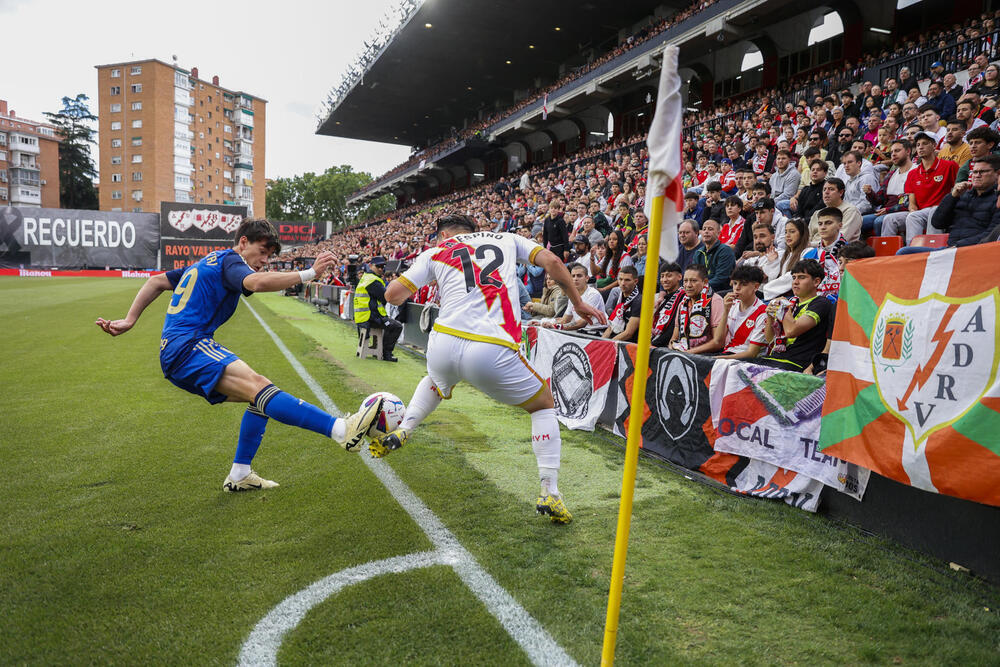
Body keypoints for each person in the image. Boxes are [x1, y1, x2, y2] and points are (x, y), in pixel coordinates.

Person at [94, 219, 384, 492]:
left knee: (259, 395)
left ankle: (240, 474)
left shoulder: (211, 261)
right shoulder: (231, 261)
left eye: (269, 255)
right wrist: (310, 273)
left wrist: (130, 320)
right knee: (260, 386)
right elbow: (256, 284)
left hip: (179, 350)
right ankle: (341, 430)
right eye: (262, 251)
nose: (264, 261)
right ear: (243, 242)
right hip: (187, 346)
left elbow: (156, 281)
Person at [375, 215, 607, 524]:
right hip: (491, 343)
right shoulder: (507, 238)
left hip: (443, 340)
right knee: (543, 405)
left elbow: (392, 294)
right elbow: (551, 260)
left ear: (444, 234)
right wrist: (576, 301)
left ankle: (405, 428)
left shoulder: (437, 251)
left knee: (435, 379)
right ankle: (549, 491)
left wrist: (435, 279)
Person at [882, 131, 959, 243]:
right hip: (921, 212)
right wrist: (912, 209)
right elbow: (912, 201)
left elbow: (956, 190)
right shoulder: (913, 173)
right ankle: (887, 255)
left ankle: (921, 251)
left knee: (923, 214)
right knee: (889, 219)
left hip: (941, 209)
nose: (920, 147)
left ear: (934, 145)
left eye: (925, 143)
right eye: (918, 145)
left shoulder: (949, 166)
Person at [760, 259, 834, 373]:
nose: (795, 282)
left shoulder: (821, 303)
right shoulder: (791, 303)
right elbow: (770, 339)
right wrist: (770, 316)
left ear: (816, 282)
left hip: (797, 363)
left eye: (802, 277)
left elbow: (791, 331)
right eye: (794, 277)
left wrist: (784, 308)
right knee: (734, 366)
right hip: (777, 359)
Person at [712, 265, 769, 359]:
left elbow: (752, 353)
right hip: (728, 353)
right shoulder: (732, 305)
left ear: (756, 287)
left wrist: (716, 359)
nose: (737, 288)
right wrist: (725, 311)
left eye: (743, 284)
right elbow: (718, 340)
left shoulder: (762, 312)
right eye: (735, 283)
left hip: (748, 361)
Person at [354, 256, 403, 362]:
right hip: (370, 319)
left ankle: (382, 351)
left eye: (383, 266)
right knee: (396, 326)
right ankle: (386, 354)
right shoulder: (373, 281)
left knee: (391, 324)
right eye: (379, 266)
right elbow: (385, 298)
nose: (381, 269)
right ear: (371, 265)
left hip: (362, 318)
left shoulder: (365, 277)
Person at [668, 264, 724, 354]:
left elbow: (718, 342)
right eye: (685, 281)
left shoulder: (715, 301)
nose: (688, 285)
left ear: (705, 282)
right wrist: (671, 348)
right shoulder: (682, 303)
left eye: (693, 281)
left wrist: (689, 353)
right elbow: (674, 338)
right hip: (684, 352)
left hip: (707, 357)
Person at [541, 262, 606, 332]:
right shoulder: (573, 296)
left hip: (596, 331)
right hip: (582, 331)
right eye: (573, 276)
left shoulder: (593, 294)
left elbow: (583, 322)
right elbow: (565, 320)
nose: (575, 279)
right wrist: (543, 324)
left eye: (579, 276)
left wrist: (557, 327)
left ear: (587, 278)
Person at [807, 177, 863, 242]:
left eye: (831, 189)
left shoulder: (851, 211)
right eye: (824, 189)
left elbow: (840, 239)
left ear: (841, 192)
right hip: (813, 250)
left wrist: (810, 246)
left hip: (840, 250)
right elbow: (808, 238)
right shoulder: (817, 213)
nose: (826, 192)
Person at [694, 218, 736, 294]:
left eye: (710, 229)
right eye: (704, 229)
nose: (706, 231)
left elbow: (721, 278)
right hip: (701, 290)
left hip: (721, 292)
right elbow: (694, 275)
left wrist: (700, 288)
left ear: (719, 233)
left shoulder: (725, 250)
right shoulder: (698, 253)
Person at [602, 266, 642, 342]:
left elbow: (628, 333)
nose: (623, 283)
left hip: (629, 344)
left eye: (627, 280)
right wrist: (601, 342)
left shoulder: (639, 301)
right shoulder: (618, 298)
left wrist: (608, 344)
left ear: (635, 281)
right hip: (615, 339)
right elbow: (611, 327)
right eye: (620, 279)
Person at [650, 262, 685, 348]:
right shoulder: (664, 299)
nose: (664, 280)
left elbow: (672, 329)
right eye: (662, 276)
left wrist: (652, 344)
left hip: (666, 346)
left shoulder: (684, 297)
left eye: (669, 276)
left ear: (679, 277)